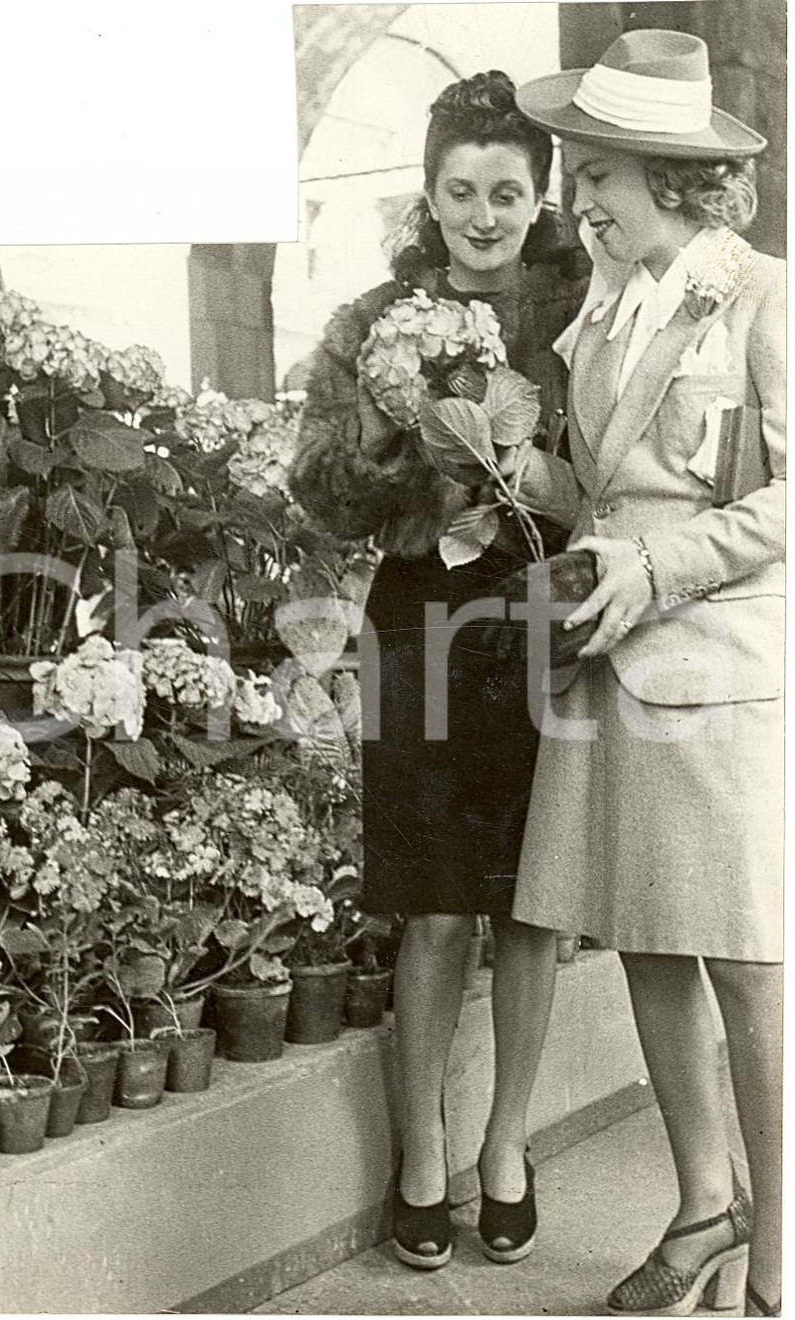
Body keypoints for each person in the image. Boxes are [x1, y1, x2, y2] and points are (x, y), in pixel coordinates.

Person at [289, 71, 587, 1270]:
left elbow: (614, 478)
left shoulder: (579, 309)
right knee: (432, 903)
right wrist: (399, 442)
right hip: (417, 616)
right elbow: (314, 486)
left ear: (538, 197)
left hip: (539, 612)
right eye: (459, 190)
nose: (482, 214)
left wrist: (533, 469)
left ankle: (504, 1147)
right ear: (426, 194)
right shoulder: (373, 317)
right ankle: (423, 1151)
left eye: (505, 192)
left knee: (527, 900)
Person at [512, 30, 783, 1317]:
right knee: (646, 947)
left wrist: (662, 567)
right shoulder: (599, 313)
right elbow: (602, 487)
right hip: (608, 661)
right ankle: (701, 1207)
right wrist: (524, 481)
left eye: (597, 175)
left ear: (669, 177)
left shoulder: (766, 299)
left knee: (744, 962)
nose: (579, 201)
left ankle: (779, 1262)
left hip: (718, 669)